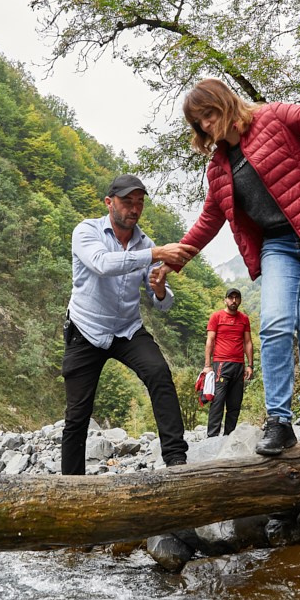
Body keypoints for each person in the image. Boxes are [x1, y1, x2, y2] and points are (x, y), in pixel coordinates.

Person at [157, 65, 300, 456]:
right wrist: (171, 262)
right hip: (279, 245)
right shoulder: (218, 169)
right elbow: (207, 223)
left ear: (225, 103)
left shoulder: (271, 117)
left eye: (209, 114)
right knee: (276, 325)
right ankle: (279, 421)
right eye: (199, 123)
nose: (207, 125)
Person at [61, 175, 195, 475]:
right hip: (86, 328)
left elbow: (162, 302)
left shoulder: (145, 243)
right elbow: (102, 264)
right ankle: (72, 485)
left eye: (139, 203)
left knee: (159, 372)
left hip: (127, 329)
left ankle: (176, 461)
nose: (134, 209)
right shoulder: (86, 231)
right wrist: (156, 254)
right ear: (109, 203)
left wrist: (160, 288)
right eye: (126, 202)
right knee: (78, 414)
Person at [202, 288, 253, 437]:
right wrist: (207, 365)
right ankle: (212, 436)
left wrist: (250, 365)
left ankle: (229, 436)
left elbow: (248, 342)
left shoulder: (244, 319)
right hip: (221, 364)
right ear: (225, 300)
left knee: (235, 403)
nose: (234, 300)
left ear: (240, 300)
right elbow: (210, 340)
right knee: (218, 401)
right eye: (231, 298)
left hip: (239, 365)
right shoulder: (216, 317)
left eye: (237, 298)